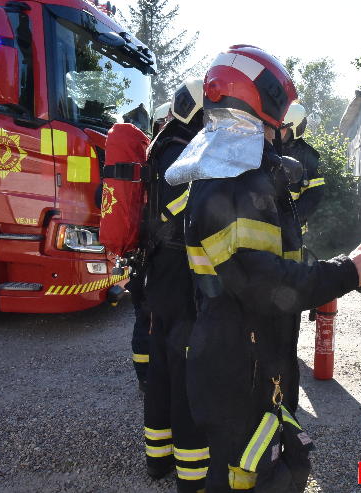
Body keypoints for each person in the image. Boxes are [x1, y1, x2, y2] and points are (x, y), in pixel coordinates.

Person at [165, 45, 361, 493]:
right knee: (246, 474)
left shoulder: (238, 171)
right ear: (267, 103)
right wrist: (347, 273)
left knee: (267, 460)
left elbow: (277, 263)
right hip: (238, 361)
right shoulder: (233, 179)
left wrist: (349, 267)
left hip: (251, 350)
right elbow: (263, 285)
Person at [141, 80, 209, 493]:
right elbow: (177, 206)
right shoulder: (180, 151)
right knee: (184, 374)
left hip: (161, 270)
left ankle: (157, 459)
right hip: (177, 271)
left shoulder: (164, 143)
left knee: (163, 371)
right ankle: (192, 473)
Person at [281, 102, 325, 234]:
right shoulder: (265, 148)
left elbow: (314, 195)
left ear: (295, 129)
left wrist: (289, 219)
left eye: (281, 128)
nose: (275, 131)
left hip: (292, 232)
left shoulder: (309, 157)